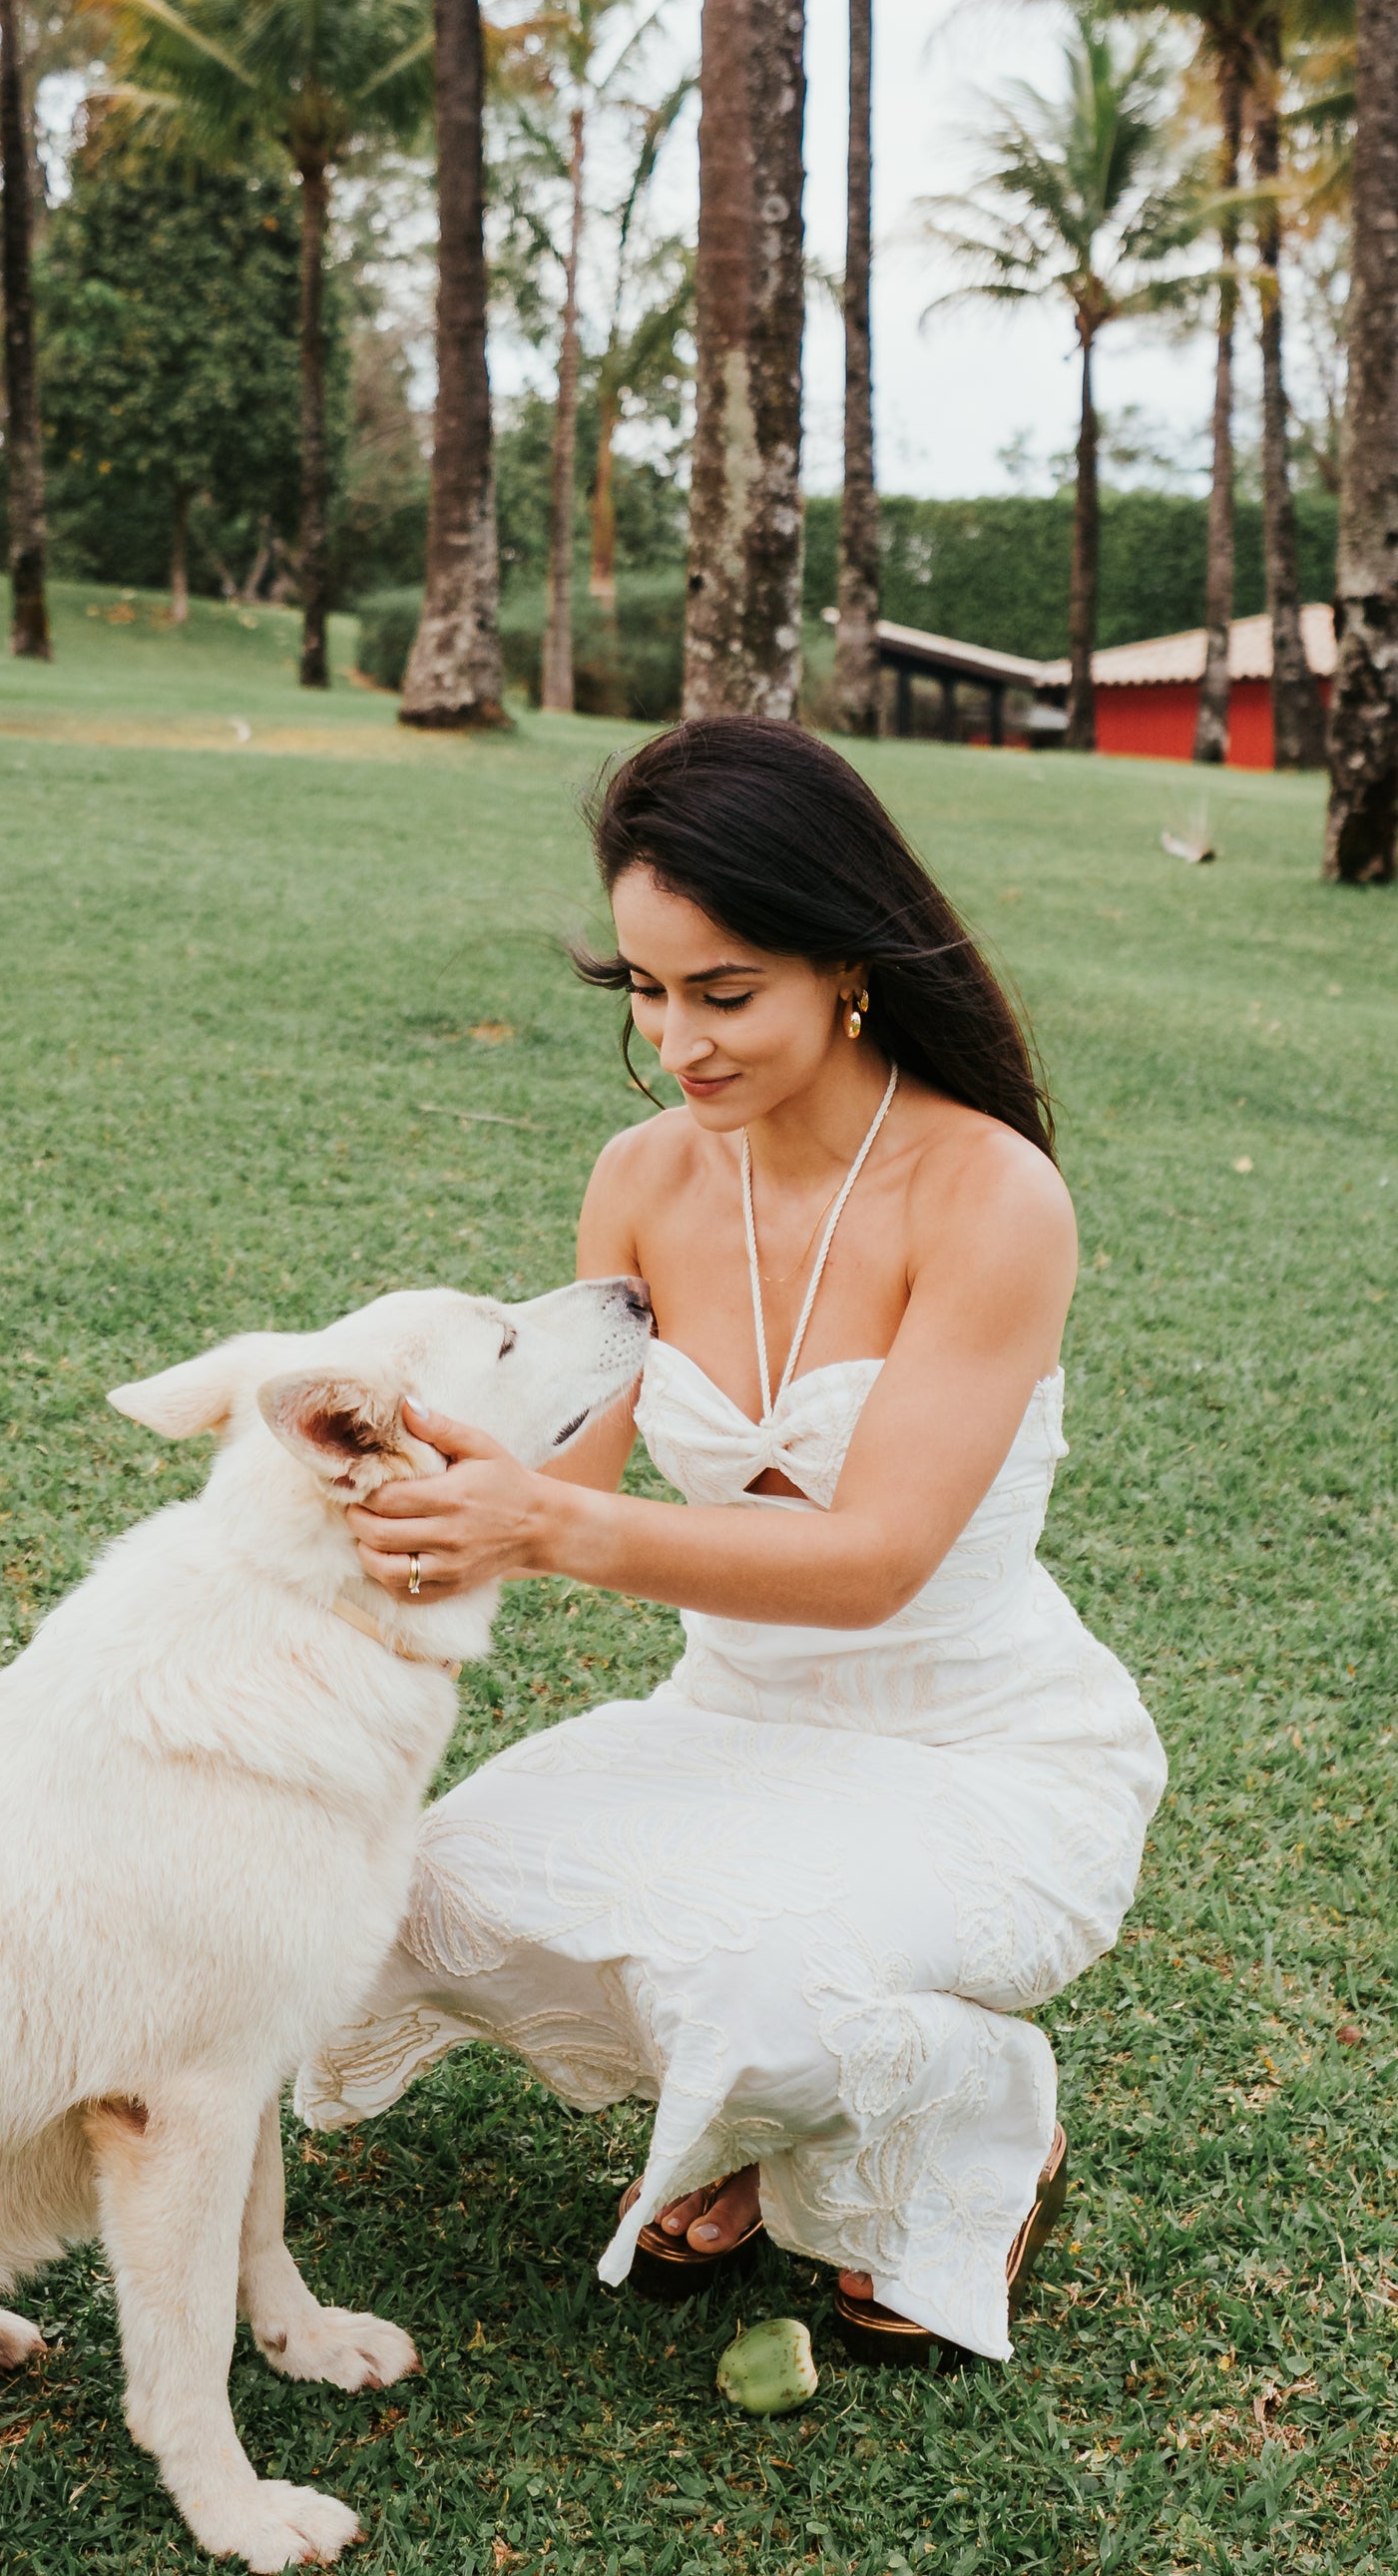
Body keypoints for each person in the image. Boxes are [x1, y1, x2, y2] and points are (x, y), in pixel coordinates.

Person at [297, 717, 1165, 2365]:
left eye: (724, 992)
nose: (675, 1041)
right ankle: (761, 2131)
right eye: (643, 988)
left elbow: (874, 1558)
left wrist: (547, 1523)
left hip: (975, 1751)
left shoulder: (987, 1194)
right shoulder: (639, 1179)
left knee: (766, 1994)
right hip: (730, 1718)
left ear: (845, 967)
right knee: (416, 1895)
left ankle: (982, 2112)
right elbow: (569, 1472)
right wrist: (418, 1495)